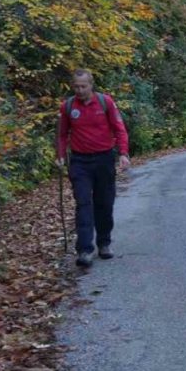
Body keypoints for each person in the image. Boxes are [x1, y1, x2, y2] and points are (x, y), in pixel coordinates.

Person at [56, 69, 131, 268]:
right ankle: (84, 249)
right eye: (76, 87)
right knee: (83, 204)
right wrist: (61, 156)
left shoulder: (105, 102)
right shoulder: (68, 106)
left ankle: (104, 243)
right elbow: (62, 134)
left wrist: (123, 153)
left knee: (104, 204)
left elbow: (119, 128)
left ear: (91, 85)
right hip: (80, 162)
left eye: (84, 86)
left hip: (104, 159)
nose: (80, 90)